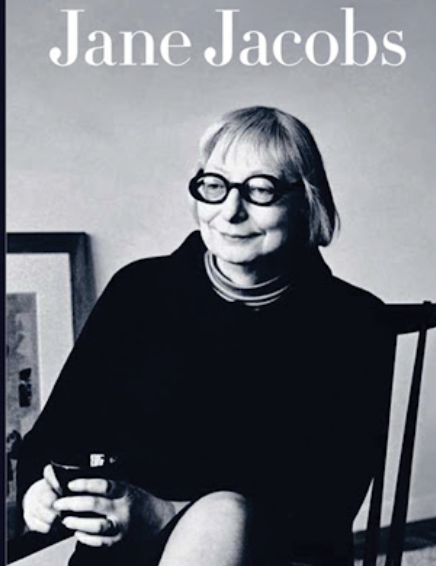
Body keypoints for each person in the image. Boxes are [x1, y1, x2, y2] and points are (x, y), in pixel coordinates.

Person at [18, 106, 395, 566]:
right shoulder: (139, 291)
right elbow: (59, 435)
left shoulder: (355, 322)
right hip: (123, 553)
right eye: (215, 186)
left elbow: (323, 507)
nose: (231, 212)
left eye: (261, 190)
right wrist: (44, 491)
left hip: (275, 555)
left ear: (306, 201)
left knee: (224, 515)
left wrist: (164, 513)